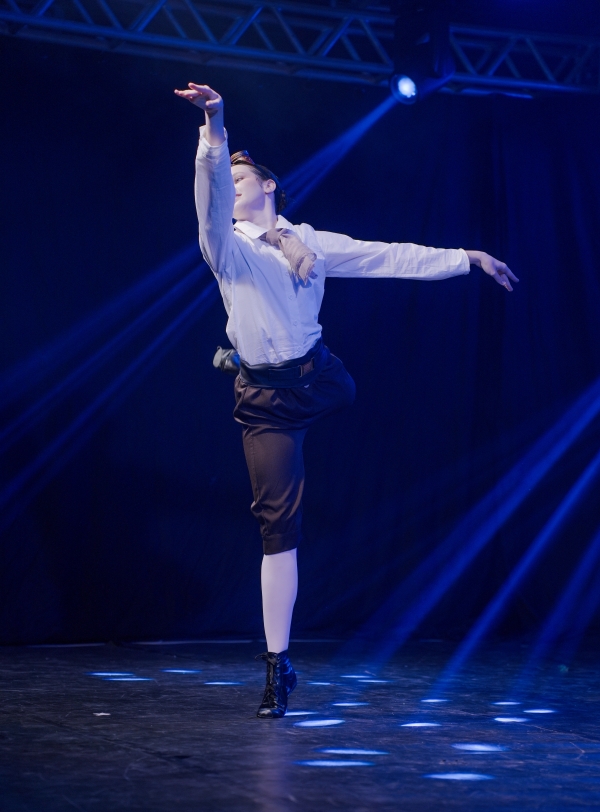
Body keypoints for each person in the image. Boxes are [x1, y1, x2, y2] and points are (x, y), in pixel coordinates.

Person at [174, 82, 518, 719]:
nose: (232, 187)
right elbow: (210, 193)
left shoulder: (312, 242)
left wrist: (467, 258)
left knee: (344, 387)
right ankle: (278, 666)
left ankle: (239, 355)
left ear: (270, 186)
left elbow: (387, 257)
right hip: (267, 402)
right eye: (229, 182)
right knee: (279, 529)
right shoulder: (227, 249)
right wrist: (214, 128)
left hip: (319, 378)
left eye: (243, 179)